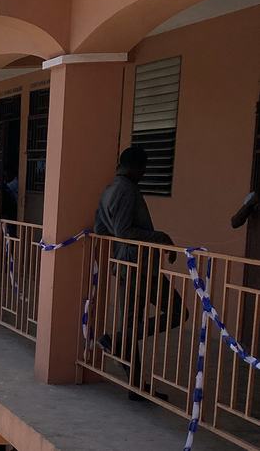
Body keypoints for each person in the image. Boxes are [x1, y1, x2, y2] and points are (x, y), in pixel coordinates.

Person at [94, 146, 183, 401]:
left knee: (132, 324)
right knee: (178, 312)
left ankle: (135, 385)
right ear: (134, 167)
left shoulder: (109, 189)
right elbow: (123, 231)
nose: (144, 173)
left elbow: (102, 229)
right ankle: (119, 341)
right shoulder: (127, 190)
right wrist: (161, 238)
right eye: (143, 168)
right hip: (139, 266)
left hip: (126, 264)